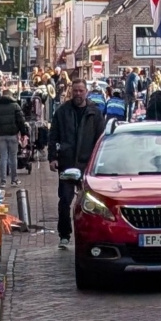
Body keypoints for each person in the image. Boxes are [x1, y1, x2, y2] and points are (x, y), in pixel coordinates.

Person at [49, 79, 105, 248]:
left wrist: (99, 162)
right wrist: (53, 157)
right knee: (65, 200)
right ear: (71, 91)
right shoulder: (62, 112)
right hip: (66, 163)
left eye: (81, 91)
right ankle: (64, 235)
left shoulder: (95, 113)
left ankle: (90, 235)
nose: (78, 94)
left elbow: (100, 140)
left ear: (86, 92)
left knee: (90, 203)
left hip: (87, 164)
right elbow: (54, 136)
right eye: (75, 91)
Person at [0, 92, 23, 183]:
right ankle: (14, 179)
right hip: (13, 135)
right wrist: (24, 132)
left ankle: (3, 181)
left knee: (3, 157)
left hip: (1, 136)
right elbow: (20, 120)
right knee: (13, 157)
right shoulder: (15, 106)